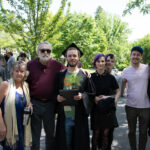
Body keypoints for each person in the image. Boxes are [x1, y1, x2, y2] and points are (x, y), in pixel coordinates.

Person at [27, 41, 66, 150]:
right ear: (38, 51)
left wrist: (80, 69)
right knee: (35, 135)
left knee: (50, 135)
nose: (45, 52)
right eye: (42, 50)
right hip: (34, 103)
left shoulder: (57, 65)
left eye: (48, 50)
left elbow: (71, 72)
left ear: (51, 52)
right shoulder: (30, 65)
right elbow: (23, 81)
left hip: (50, 104)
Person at [54, 43, 93, 150]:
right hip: (65, 116)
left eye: (74, 56)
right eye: (70, 56)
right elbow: (53, 93)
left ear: (79, 57)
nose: (72, 58)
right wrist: (57, 98)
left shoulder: (84, 76)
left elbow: (92, 94)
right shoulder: (60, 76)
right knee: (65, 144)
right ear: (66, 57)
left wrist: (83, 96)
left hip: (79, 116)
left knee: (79, 144)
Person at [122, 46, 150, 150]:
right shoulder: (126, 70)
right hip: (130, 106)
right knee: (131, 131)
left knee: (143, 132)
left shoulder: (147, 69)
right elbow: (123, 84)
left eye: (138, 55)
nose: (135, 56)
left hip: (146, 106)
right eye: (134, 54)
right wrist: (123, 93)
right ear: (130, 56)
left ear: (141, 57)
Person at [0, 61, 32, 150]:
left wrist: (30, 106)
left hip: (23, 125)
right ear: (12, 72)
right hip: (8, 126)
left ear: (25, 73)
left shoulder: (26, 86)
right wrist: (1, 125)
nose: (19, 73)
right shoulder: (6, 85)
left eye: (22, 71)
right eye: (16, 71)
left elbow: (27, 102)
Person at [91, 54, 120, 150]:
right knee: (96, 133)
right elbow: (86, 93)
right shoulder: (90, 77)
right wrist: (94, 98)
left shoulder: (110, 77)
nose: (101, 63)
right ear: (95, 63)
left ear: (105, 63)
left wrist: (113, 100)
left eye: (102, 61)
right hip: (96, 109)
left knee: (106, 134)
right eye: (98, 61)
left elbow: (118, 91)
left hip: (107, 110)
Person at [105, 53, 122, 150]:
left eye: (111, 61)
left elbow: (118, 93)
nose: (109, 63)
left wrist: (113, 102)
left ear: (114, 62)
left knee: (110, 131)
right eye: (107, 60)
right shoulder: (99, 73)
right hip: (99, 107)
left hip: (111, 107)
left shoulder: (118, 77)